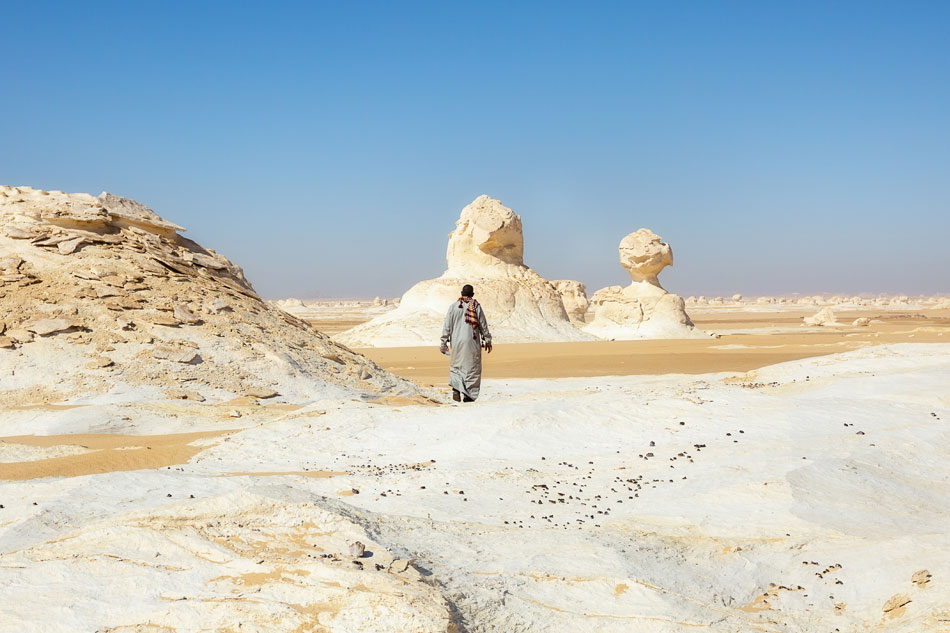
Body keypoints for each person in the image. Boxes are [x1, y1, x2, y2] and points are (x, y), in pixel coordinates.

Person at [440, 284, 492, 402]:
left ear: (461, 293)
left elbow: (447, 326)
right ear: (472, 295)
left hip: (457, 342)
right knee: (472, 367)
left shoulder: (453, 307)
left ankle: (456, 390)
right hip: (472, 343)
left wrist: (443, 342)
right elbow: (483, 325)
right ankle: (469, 395)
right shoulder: (476, 306)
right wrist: (487, 339)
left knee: (457, 365)